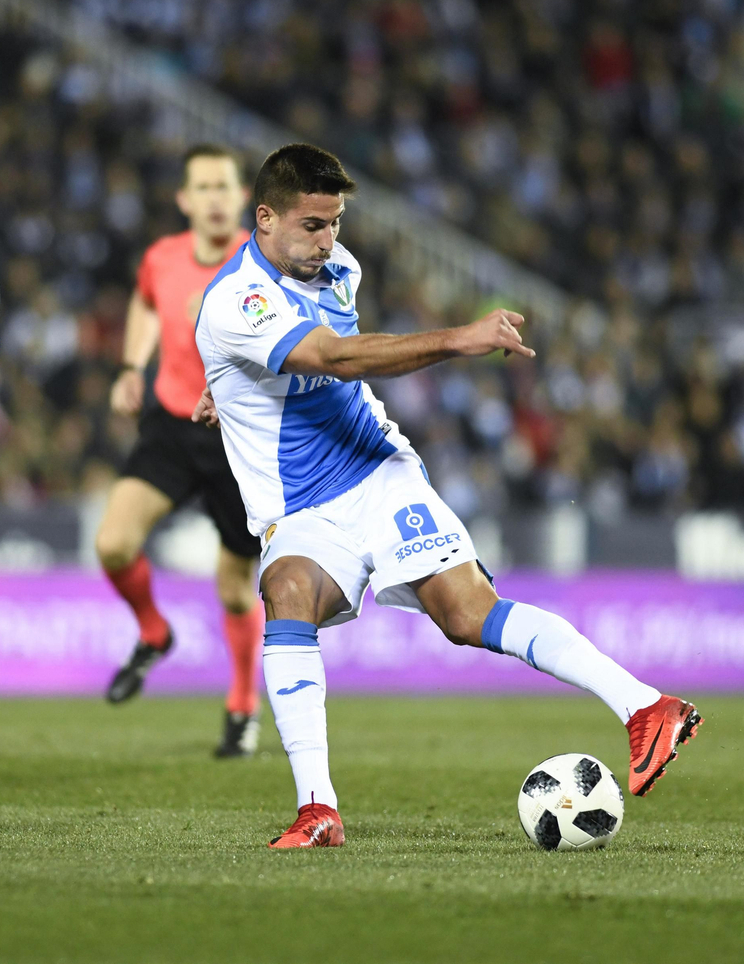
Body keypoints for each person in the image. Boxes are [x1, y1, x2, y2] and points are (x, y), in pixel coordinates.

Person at [192, 143, 701, 849]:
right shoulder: (235, 299)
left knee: (467, 615)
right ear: (266, 217)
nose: (328, 241)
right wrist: (459, 338)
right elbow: (332, 356)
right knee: (286, 590)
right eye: (312, 225)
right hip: (301, 509)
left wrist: (232, 384)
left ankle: (647, 706)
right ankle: (319, 808)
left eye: (335, 222)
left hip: (377, 472)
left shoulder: (340, 270)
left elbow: (320, 353)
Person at [96, 144, 265, 757]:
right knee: (113, 542)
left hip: (237, 436)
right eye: (204, 187)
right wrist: (129, 367)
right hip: (171, 422)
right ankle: (153, 630)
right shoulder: (162, 259)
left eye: (225, 186)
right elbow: (144, 302)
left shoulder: (263, 263)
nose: (216, 198)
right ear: (185, 200)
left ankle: (243, 706)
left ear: (244, 197)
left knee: (235, 588)